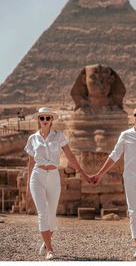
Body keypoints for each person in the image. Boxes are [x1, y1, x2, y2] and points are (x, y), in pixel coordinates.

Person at [89, 105, 136, 258]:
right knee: (133, 212)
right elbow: (114, 155)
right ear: (133, 117)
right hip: (130, 178)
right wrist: (99, 174)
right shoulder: (125, 135)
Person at [24, 107, 90, 260]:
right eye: (42, 118)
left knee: (52, 215)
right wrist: (28, 184)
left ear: (52, 120)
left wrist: (83, 172)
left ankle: (45, 241)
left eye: (48, 118)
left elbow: (70, 155)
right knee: (42, 214)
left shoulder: (59, 136)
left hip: (53, 175)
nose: (45, 121)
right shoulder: (32, 139)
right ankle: (50, 250)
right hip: (37, 175)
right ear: (38, 120)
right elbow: (29, 162)